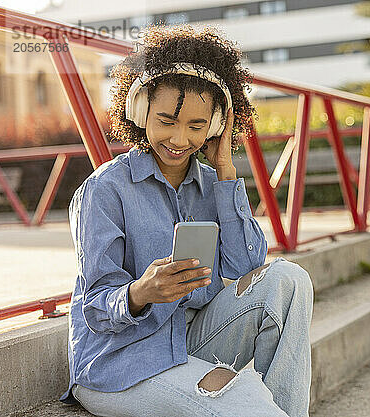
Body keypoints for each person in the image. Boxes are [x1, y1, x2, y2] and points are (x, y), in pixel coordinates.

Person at [58, 24, 314, 417]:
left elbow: (247, 268)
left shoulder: (214, 182)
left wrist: (226, 172)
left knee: (290, 280)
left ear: (215, 125)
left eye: (197, 126)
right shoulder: (105, 189)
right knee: (248, 403)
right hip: (121, 362)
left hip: (190, 339)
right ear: (140, 112)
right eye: (166, 121)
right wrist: (140, 292)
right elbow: (94, 308)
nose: (180, 139)